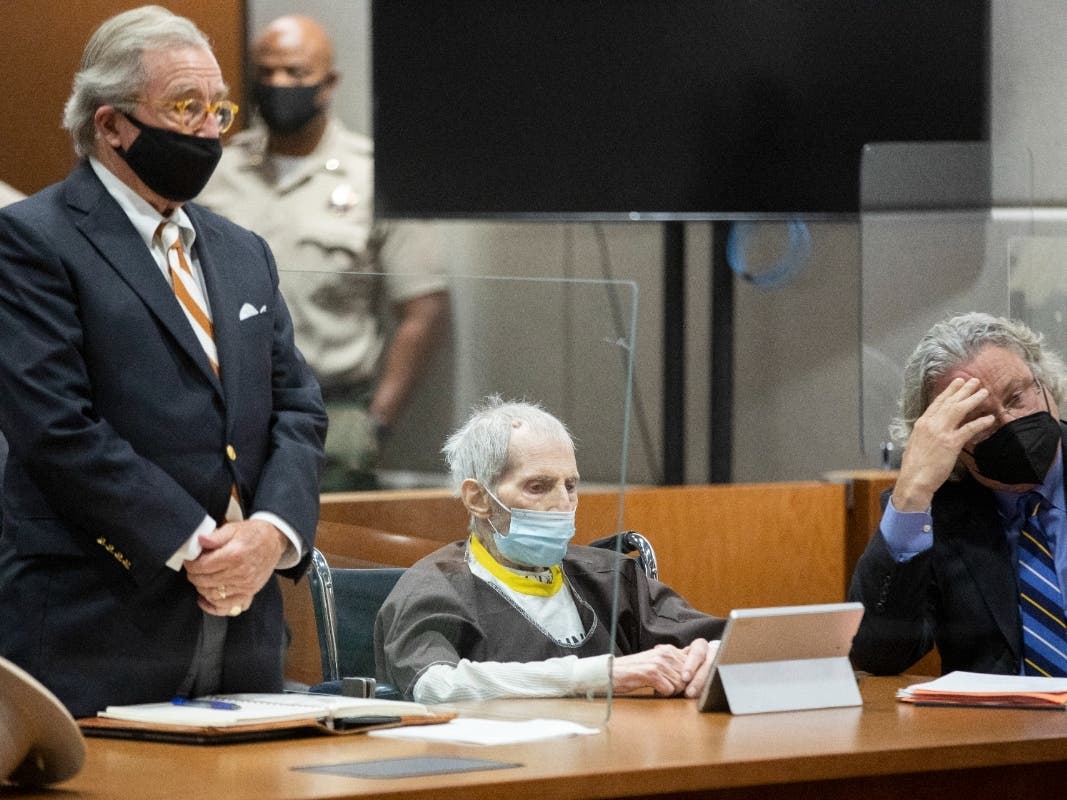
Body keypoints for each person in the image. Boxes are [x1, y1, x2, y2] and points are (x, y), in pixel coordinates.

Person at [0, 6, 327, 718]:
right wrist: (198, 546)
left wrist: (271, 535)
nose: (209, 128)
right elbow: (56, 425)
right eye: (185, 106)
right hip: (100, 619)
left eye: (217, 107)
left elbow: (298, 406)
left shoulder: (242, 249)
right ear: (111, 124)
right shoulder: (31, 241)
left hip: (245, 624)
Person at [199, 14, 449, 491]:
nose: (277, 84)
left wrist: (374, 426)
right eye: (266, 72)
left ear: (329, 83)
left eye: (295, 73)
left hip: (331, 415)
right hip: (222, 410)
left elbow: (424, 309)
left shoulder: (372, 176)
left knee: (328, 557)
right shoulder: (216, 171)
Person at [374, 397, 725, 703]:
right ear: (478, 498)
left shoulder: (611, 577)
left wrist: (710, 655)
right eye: (538, 487)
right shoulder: (435, 588)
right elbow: (436, 687)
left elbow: (727, 641)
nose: (562, 504)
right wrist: (600, 674)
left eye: (570, 485)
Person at [849, 312, 1067, 677]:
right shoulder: (934, 512)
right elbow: (877, 654)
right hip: (1002, 730)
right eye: (977, 419)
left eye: (1016, 397)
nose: (1008, 423)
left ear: (1045, 385)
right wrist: (913, 493)